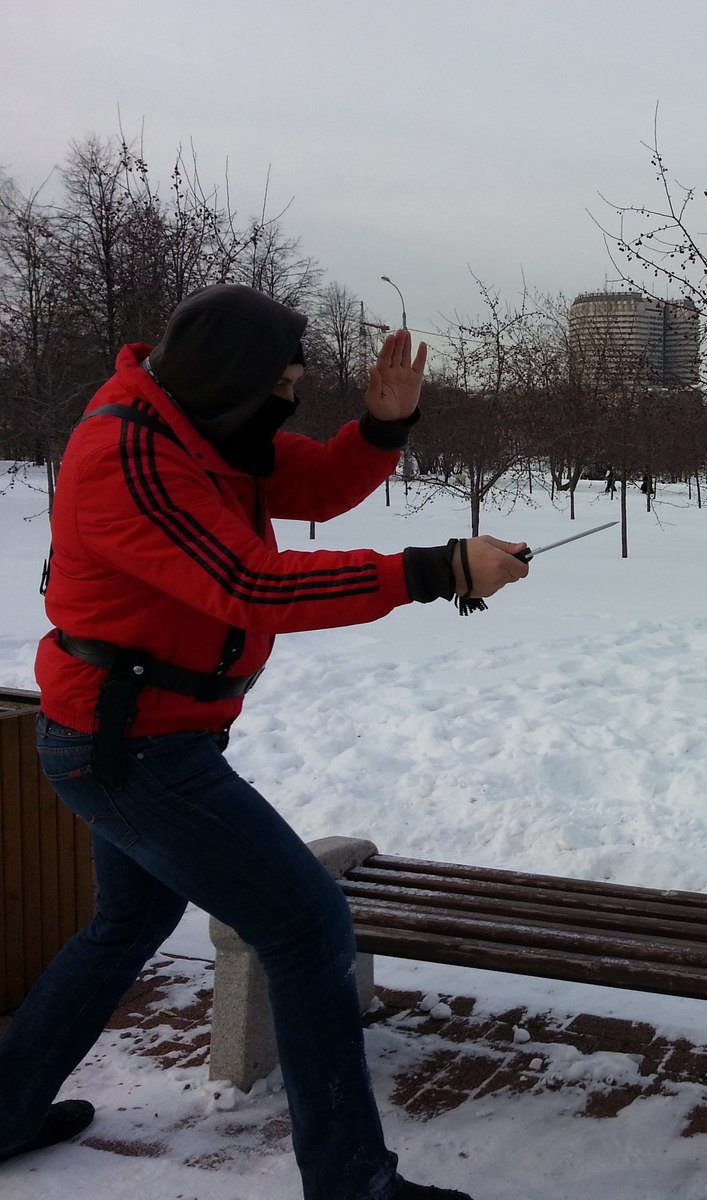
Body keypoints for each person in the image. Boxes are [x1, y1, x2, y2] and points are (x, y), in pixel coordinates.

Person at [0, 283, 529, 1200]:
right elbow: (252, 584)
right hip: (129, 749)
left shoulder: (202, 428)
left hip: (152, 737)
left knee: (130, 921)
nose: (290, 397)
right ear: (236, 378)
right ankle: (351, 1182)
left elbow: (315, 482)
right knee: (305, 927)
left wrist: (381, 425)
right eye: (283, 380)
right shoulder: (129, 454)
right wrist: (438, 569)